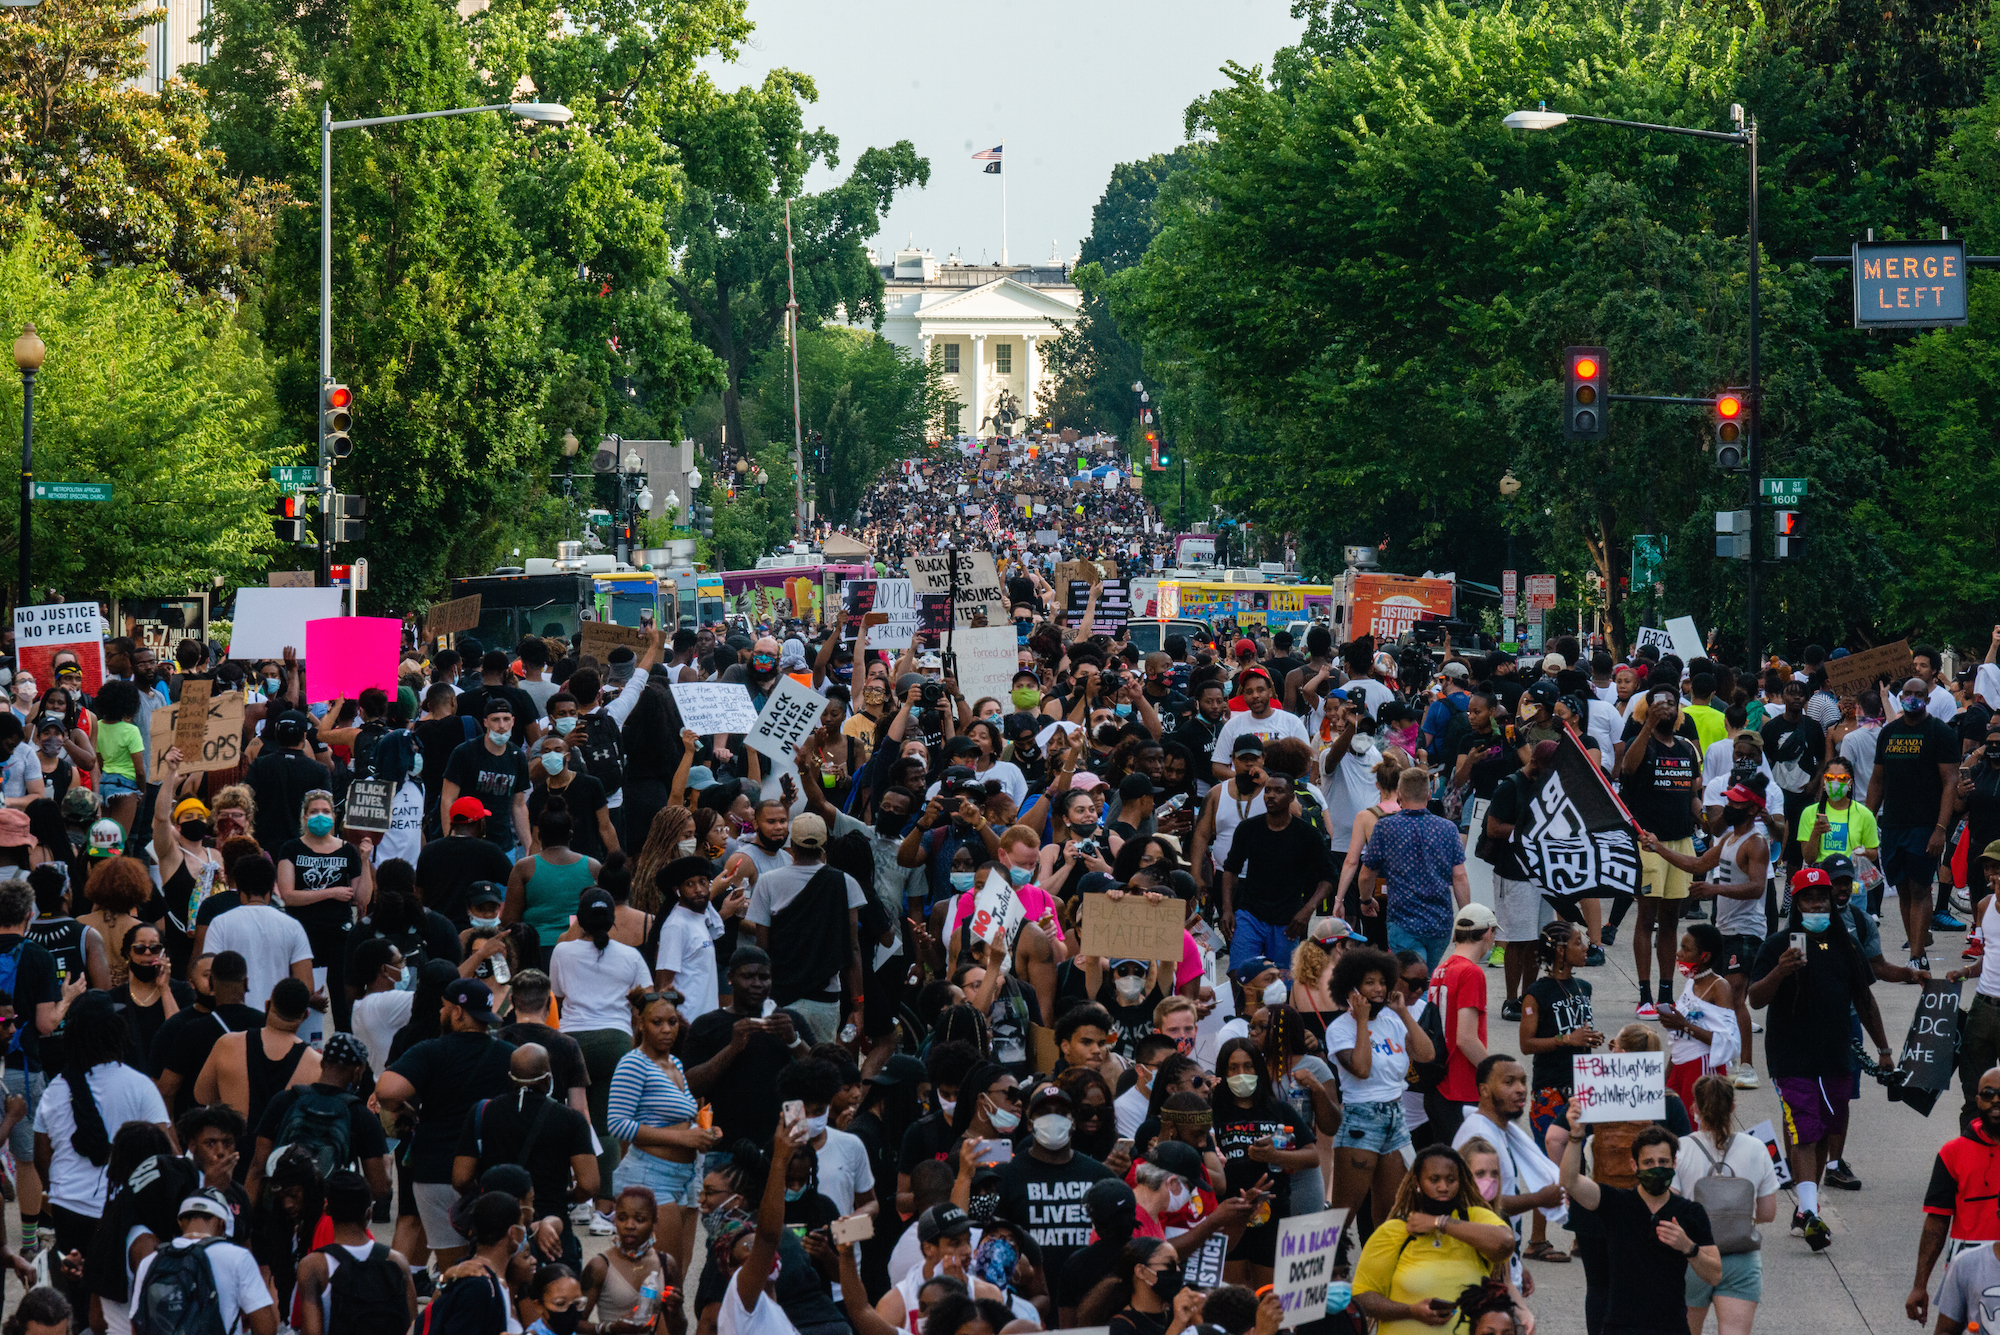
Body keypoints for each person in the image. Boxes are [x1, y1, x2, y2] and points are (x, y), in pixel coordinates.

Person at [1747, 866, 1894, 1252]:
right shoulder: (1777, 944)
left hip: (1835, 1055)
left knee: (1828, 1129)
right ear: (1795, 904)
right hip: (1790, 1057)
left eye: (1822, 898)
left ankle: (1804, 1209)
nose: (1817, 904)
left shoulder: (1846, 943)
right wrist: (1780, 971)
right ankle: (1810, 1211)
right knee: (1804, 1130)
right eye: (1809, 899)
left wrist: (1882, 1048)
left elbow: (1864, 998)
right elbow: (1755, 998)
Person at [32, 994, 172, 1299]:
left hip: (68, 1208)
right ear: (115, 1031)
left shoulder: (55, 1089)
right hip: (121, 1212)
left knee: (77, 1297)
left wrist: (56, 1191)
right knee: (120, 1297)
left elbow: (41, 1153)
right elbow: (165, 1150)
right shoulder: (140, 1086)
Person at [374, 979, 517, 1267]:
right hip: (490, 1175)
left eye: (444, 1007)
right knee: (497, 1265)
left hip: (436, 1172)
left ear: (457, 1012)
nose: (440, 1011)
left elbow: (387, 1091)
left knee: (455, 1268)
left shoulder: (431, 1051)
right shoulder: (508, 1054)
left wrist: (401, 1108)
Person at [1560, 1104, 1722, 1335]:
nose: (1657, 1169)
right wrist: (1576, 1136)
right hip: (1621, 1326)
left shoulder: (1691, 1212)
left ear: (1674, 1163)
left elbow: (1714, 1274)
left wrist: (1688, 1247)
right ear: (1634, 1166)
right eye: (1648, 1163)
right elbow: (1571, 1182)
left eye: (1663, 1162)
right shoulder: (1615, 1203)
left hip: (1671, 1327)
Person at [454, 1041, 597, 1271]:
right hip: (552, 1232)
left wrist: (488, 1195)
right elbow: (590, 1185)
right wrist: (565, 1197)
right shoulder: (571, 1119)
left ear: (510, 1078)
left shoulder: (483, 1112)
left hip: (497, 1233)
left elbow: (460, 1178)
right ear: (548, 1079)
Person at [607, 989, 717, 1274]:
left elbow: (680, 1116)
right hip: (650, 1175)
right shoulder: (633, 1063)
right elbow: (617, 1123)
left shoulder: (676, 1063)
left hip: (685, 1176)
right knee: (660, 1277)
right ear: (641, 1023)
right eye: (657, 1022)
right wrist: (683, 1137)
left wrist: (704, 1131)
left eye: (673, 1022)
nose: (667, 1030)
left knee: (676, 1275)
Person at [1351, 1144, 1514, 1334]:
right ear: (1417, 1182)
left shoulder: (1475, 1219)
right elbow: (1362, 1297)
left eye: (1451, 1180)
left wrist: (1440, 1223)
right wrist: (1411, 1311)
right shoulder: (1395, 1231)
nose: (1443, 1187)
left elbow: (1504, 1243)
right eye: (1434, 1179)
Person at [1324, 946, 1431, 1228]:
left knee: (1391, 1213)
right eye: (1369, 982)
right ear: (1352, 987)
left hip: (1396, 1120)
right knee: (1342, 1215)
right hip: (1362, 1121)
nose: (1379, 988)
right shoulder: (1339, 1028)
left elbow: (1426, 1054)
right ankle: (1331, 1267)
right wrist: (1361, 1021)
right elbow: (1361, 1068)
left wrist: (1403, 1013)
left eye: (1382, 981)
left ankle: (1379, 1267)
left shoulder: (1393, 1021)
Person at [1868, 676, 1962, 971]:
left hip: (1925, 825)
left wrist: (1940, 829)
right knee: (1903, 888)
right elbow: (1877, 779)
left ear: (1927, 698)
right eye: (1906, 693)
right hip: (1894, 823)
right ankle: (1916, 943)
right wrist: (1866, 818)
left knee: (1921, 887)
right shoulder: (1889, 733)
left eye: (1917, 694)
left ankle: (1917, 955)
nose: (1911, 698)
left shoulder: (1939, 733)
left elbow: (1950, 782)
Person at [1623, 687, 1703, 1019]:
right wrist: (1645, 727)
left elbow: (1694, 794)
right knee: (1646, 918)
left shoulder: (1686, 749)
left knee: (1671, 920)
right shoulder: (1641, 743)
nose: (1666, 708)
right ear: (1646, 710)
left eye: (1671, 703)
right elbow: (1626, 769)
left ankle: (1666, 994)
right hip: (1648, 843)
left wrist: (1708, 822)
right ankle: (1644, 995)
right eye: (1658, 704)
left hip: (1681, 841)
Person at [1676, 1076, 1778, 1335]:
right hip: (1740, 1258)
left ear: (1694, 1108)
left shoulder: (1679, 1150)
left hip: (1692, 1257)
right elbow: (1768, 1213)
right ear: (1733, 1106)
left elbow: (1671, 1207)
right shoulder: (1757, 1148)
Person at [683, 946, 813, 1147]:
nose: (757, 984)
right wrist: (732, 1049)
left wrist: (793, 1041)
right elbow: (691, 1086)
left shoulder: (789, 1021)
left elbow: (821, 1075)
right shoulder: (707, 1025)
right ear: (730, 978)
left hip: (782, 1145)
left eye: (764, 977)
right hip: (724, 1145)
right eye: (748, 976)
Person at [193, 977, 320, 1180]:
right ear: (305, 1015)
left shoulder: (228, 1045)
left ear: (267, 1006)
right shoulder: (316, 1064)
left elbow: (202, 1095)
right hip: (280, 1172)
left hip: (231, 1164)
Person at [246, 1032, 387, 1204]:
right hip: (329, 1219)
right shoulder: (361, 1116)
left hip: (283, 1211)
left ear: (321, 1062)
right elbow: (379, 1188)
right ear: (357, 1071)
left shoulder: (284, 1100)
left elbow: (258, 1168)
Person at [1219, 767, 1336, 971]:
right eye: (1268, 790)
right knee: (1240, 971)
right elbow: (1230, 869)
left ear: (1291, 797)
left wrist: (1306, 911)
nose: (1271, 795)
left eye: (1278, 791)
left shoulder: (1308, 835)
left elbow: (1329, 877)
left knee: (1283, 982)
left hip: (1288, 920)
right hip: (1250, 914)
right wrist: (1228, 909)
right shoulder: (1248, 829)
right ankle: (1241, 1005)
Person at [1360, 767, 1473, 967]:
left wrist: (1366, 899)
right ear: (1429, 793)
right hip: (1440, 923)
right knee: (1425, 980)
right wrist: (1465, 917)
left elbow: (1367, 873)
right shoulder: (1448, 829)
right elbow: (1460, 877)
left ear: (1400, 794)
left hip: (1403, 922)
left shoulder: (1386, 827)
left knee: (1410, 983)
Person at [128, 1190, 277, 1335]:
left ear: (180, 1222)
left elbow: (137, 1325)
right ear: (222, 1224)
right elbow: (266, 1328)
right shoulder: (237, 1257)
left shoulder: (150, 1261)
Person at [293, 1168, 419, 1335]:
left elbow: (312, 1331)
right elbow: (413, 1326)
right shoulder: (397, 1261)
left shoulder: (314, 1266)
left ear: (327, 1210)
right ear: (370, 1212)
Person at [153, 953, 262, 1117]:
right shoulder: (264, 1024)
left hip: (204, 1129)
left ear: (212, 983)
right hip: (256, 1129)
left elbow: (165, 1090)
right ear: (246, 982)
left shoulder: (190, 1030)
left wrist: (171, 1138)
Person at [200, 857, 313, 1011]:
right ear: (270, 891)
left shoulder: (220, 924)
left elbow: (208, 975)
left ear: (240, 891)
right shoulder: (293, 926)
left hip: (233, 1020)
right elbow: (306, 985)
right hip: (277, 1017)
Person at [1426, 904, 1497, 1146]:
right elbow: (1466, 1038)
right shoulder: (1471, 973)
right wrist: (1497, 1075)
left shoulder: (1441, 969)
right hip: (1461, 1088)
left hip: (1438, 1085)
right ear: (1488, 933)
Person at [505, 808, 601, 970]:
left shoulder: (524, 868)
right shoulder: (593, 866)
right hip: (581, 948)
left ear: (539, 836)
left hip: (536, 953)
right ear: (570, 834)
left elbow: (509, 921)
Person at [580, 1186, 682, 1335]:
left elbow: (680, 1329)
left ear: (654, 1221)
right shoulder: (599, 1266)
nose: (629, 1226)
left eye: (639, 1219)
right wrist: (610, 1328)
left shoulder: (667, 1264)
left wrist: (675, 1311)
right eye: (622, 1218)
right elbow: (573, 1323)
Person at [441, 698, 533, 858]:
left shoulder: (517, 756)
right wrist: (449, 840)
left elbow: (518, 805)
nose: (502, 725)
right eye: (495, 720)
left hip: (504, 846)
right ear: (486, 722)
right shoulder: (465, 753)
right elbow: (448, 799)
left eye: (506, 719)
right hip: (469, 843)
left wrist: (529, 847)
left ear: (513, 721)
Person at [413, 797, 515, 930]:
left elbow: (419, 893)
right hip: (476, 930)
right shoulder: (489, 851)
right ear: (480, 823)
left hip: (436, 928)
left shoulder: (429, 850)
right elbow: (515, 883)